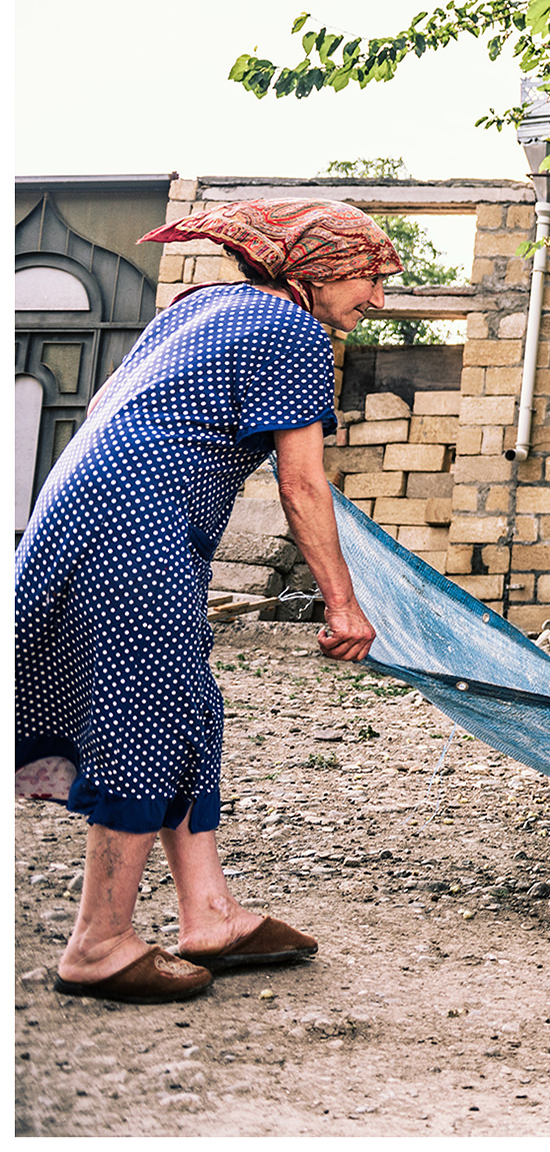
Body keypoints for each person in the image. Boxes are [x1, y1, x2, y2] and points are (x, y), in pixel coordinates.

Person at [14, 198, 396, 1005]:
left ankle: (211, 913)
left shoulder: (199, 307)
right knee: (147, 715)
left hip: (71, 510)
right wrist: (343, 604)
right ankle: (99, 943)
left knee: (186, 706)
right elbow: (301, 482)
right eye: (368, 278)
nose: (378, 299)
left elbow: (107, 412)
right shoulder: (294, 333)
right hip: (134, 528)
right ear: (315, 269)